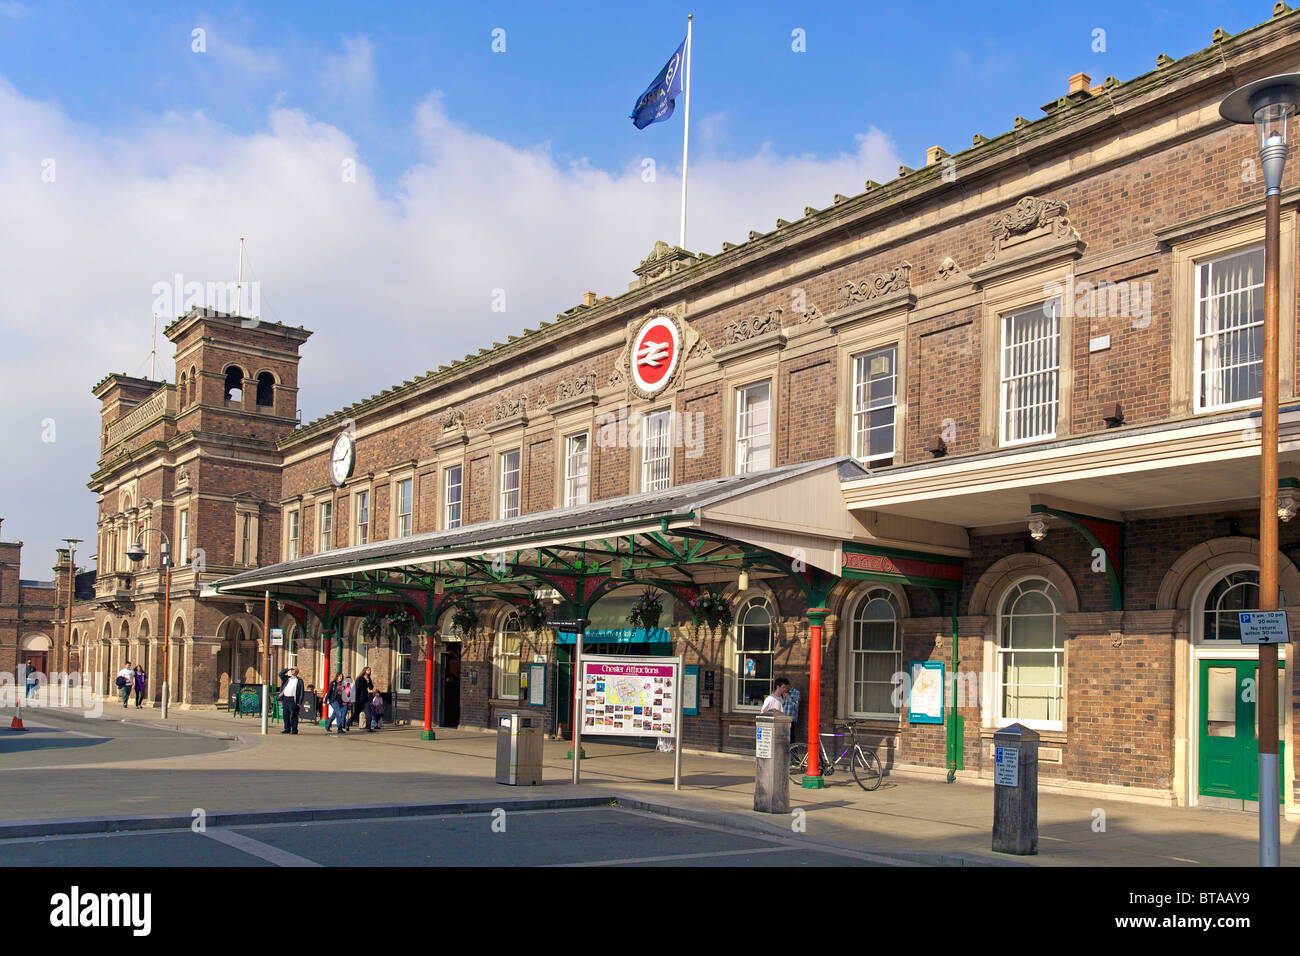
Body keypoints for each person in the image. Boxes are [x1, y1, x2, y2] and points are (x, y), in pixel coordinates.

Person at [278, 666, 304, 735]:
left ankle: (294, 729)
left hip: (293, 699)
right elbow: (280, 674)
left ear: (297, 672)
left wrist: (300, 702)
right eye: (291, 670)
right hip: (285, 698)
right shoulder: (287, 678)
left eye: (294, 670)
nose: (292, 671)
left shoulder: (299, 680)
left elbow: (301, 691)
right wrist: (287, 669)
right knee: (285, 715)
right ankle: (287, 729)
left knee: (294, 715)